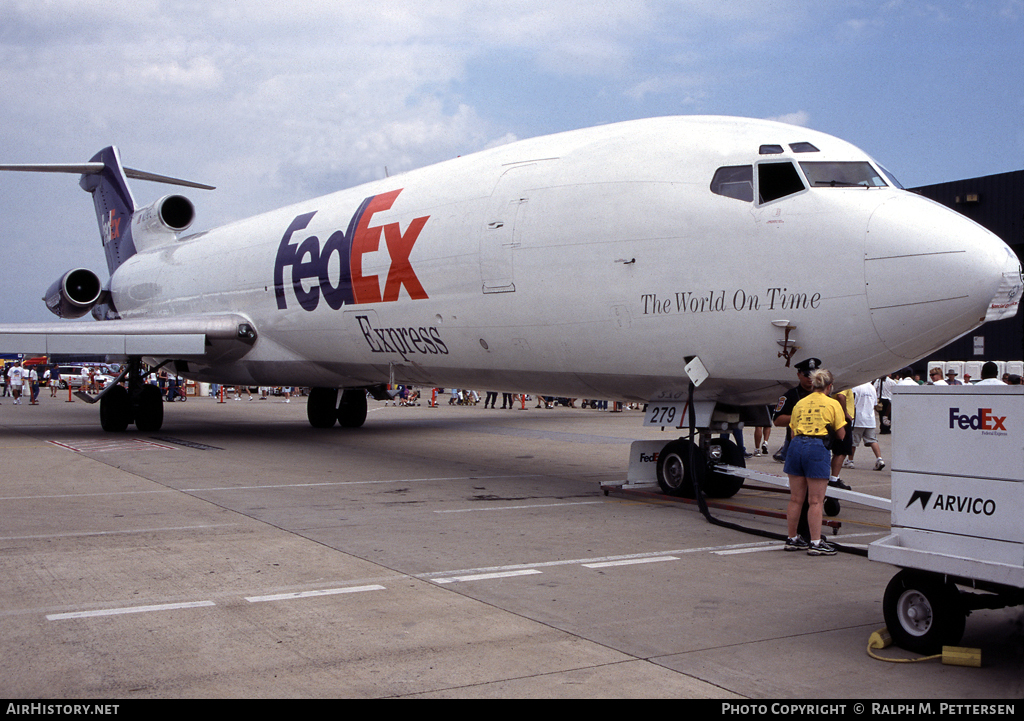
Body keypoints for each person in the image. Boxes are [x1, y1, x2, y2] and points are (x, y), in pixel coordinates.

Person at [783, 369, 846, 556]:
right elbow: (841, 435)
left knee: (796, 498)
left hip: (796, 446)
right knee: (816, 501)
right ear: (829, 386)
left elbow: (793, 432)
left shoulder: (800, 403)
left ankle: (792, 538)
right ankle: (816, 542)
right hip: (817, 446)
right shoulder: (832, 403)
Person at [771, 357, 820, 463]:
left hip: (819, 442)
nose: (810, 378)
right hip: (796, 441)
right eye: (807, 375)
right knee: (797, 478)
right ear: (799, 375)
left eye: (813, 375)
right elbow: (777, 421)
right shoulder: (790, 395)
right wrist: (800, 415)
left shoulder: (824, 395)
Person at [846, 382, 885, 471]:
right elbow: (875, 403)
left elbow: (852, 402)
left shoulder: (855, 387)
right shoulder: (872, 387)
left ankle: (850, 461)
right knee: (872, 440)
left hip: (858, 418)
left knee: (853, 442)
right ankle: (879, 458)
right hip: (870, 418)